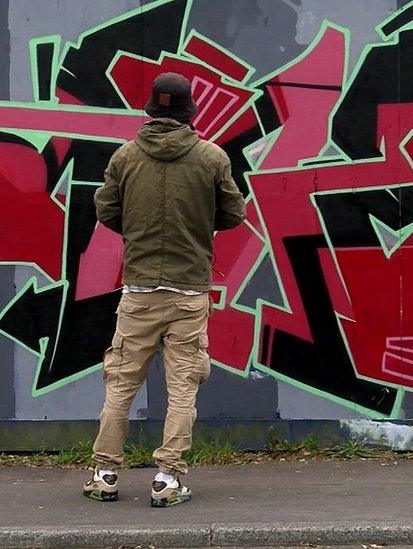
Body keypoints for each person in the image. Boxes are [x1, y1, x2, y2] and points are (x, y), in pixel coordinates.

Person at [84, 72, 246, 507]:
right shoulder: (212, 158)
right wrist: (197, 224)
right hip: (189, 291)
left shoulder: (125, 157)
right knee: (183, 387)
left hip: (137, 291)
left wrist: (137, 232)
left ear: (151, 111)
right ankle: (167, 478)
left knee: (120, 384)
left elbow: (107, 211)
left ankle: (104, 475)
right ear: (189, 111)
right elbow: (234, 214)